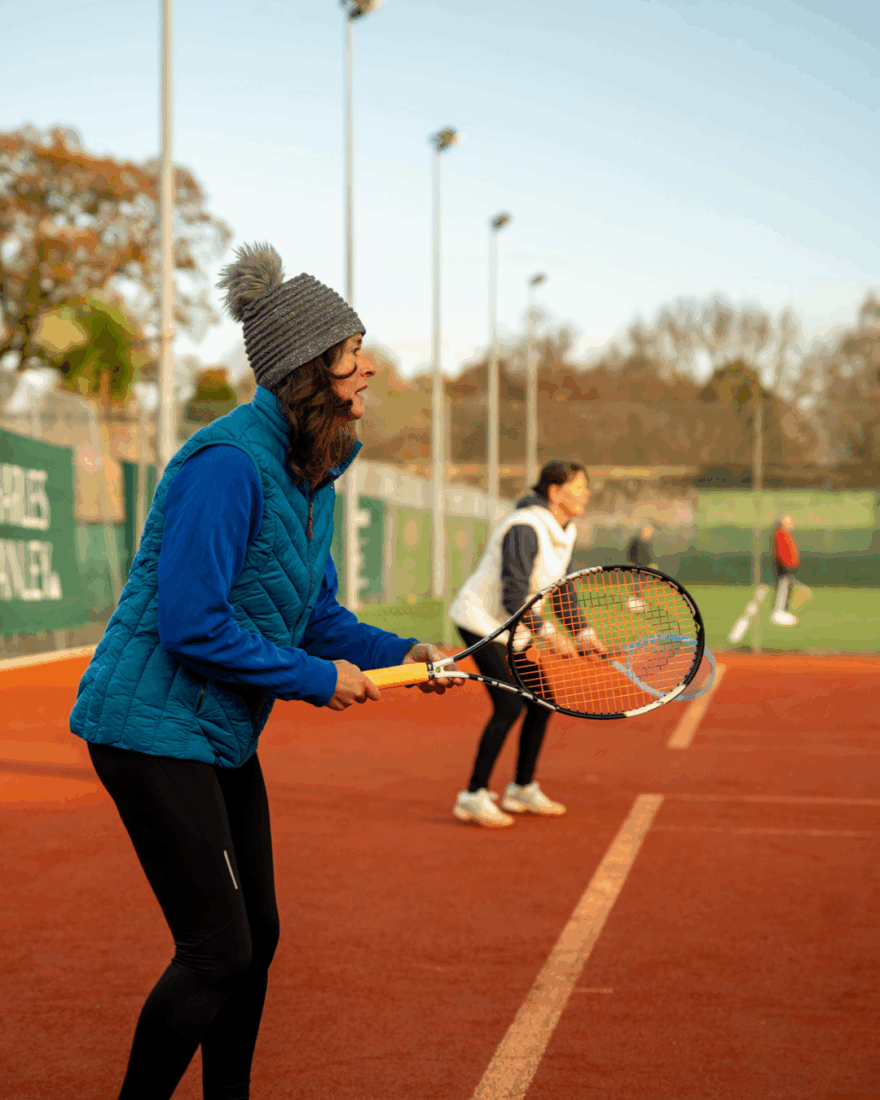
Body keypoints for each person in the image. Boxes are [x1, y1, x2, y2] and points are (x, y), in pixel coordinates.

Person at [69, 242, 458, 1100]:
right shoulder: (227, 465)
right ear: (310, 370)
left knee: (258, 938)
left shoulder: (309, 471)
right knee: (219, 950)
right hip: (146, 728)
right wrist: (317, 681)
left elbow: (314, 615)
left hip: (217, 731)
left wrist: (403, 654)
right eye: (352, 353)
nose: (368, 369)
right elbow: (191, 625)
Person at [448, 460, 591, 828]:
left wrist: (583, 634)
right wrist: (548, 633)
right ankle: (473, 795)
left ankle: (522, 788)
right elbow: (513, 594)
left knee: (541, 703)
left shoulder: (565, 531)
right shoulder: (525, 527)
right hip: (482, 623)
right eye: (579, 487)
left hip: (517, 627)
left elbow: (561, 590)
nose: (586, 494)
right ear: (555, 492)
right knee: (509, 704)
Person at [771, 513, 800, 626]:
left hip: (788, 566)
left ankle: (782, 611)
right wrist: (787, 564)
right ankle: (779, 612)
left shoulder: (785, 533)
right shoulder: (780, 533)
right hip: (784, 566)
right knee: (783, 588)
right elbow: (782, 551)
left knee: (786, 588)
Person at [625, 522, 657, 612]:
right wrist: (630, 563)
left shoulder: (648, 543)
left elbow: (649, 555)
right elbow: (630, 552)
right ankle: (633, 602)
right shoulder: (635, 541)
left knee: (643, 585)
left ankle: (640, 601)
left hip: (645, 567)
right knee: (636, 584)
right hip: (636, 566)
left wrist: (652, 563)